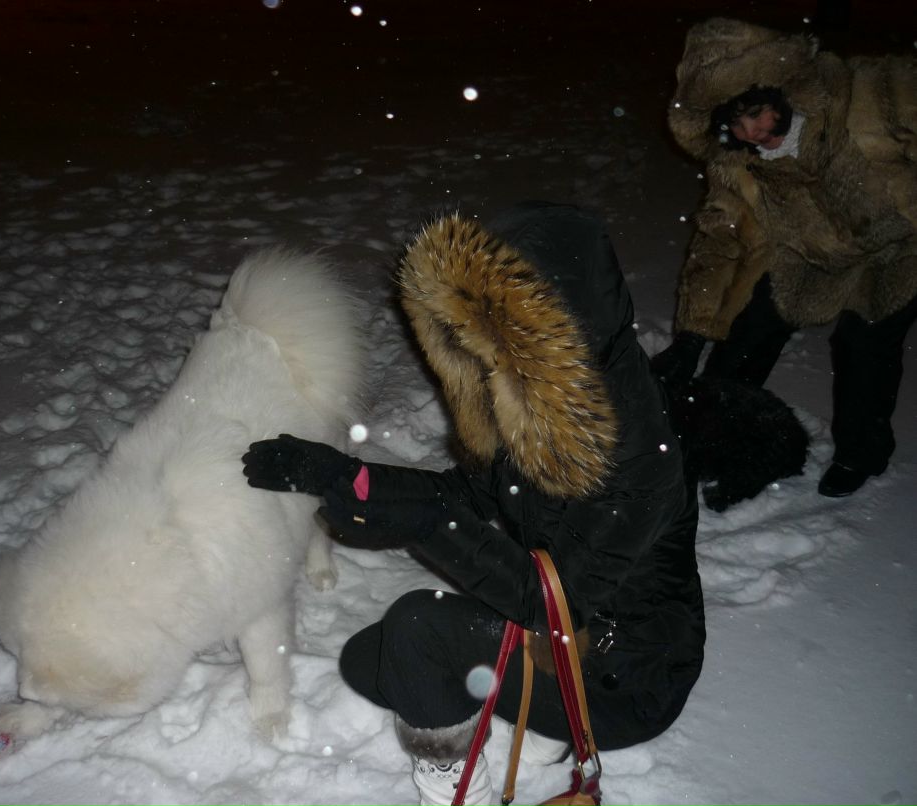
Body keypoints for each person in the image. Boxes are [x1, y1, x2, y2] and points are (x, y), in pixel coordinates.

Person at [242, 203, 705, 806]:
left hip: (624, 673)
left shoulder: (635, 453)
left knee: (414, 630)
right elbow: (462, 494)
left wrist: (431, 525)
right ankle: (541, 725)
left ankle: (457, 785)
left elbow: (553, 600)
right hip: (564, 640)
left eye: (488, 331)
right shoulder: (542, 402)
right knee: (370, 662)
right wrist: (343, 476)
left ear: (552, 331)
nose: (472, 348)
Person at [653, 17, 917, 498]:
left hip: (902, 246)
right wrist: (693, 334)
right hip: (812, 255)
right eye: (734, 124)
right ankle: (728, 436)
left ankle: (862, 453)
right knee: (748, 331)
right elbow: (719, 242)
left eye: (755, 112)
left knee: (862, 345)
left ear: (779, 87)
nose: (752, 132)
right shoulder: (738, 162)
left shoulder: (870, 92)